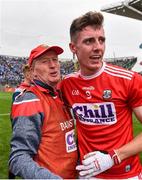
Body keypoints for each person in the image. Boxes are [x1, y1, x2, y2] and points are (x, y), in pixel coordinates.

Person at [60, 11, 142, 179]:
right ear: (73, 48)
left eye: (101, 40)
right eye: (89, 41)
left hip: (125, 174)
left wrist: (115, 156)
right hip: (88, 173)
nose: (98, 47)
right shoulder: (67, 84)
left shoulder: (128, 79)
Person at [9, 44, 78, 179]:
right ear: (33, 71)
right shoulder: (30, 100)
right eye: (45, 61)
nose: (52, 65)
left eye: (55, 60)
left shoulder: (59, 94)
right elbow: (18, 158)